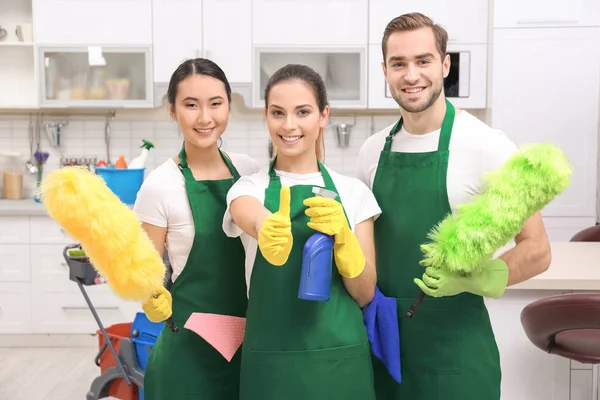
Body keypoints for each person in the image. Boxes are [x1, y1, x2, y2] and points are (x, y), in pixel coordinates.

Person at [356, 12, 552, 400]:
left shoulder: (487, 146)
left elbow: (538, 249)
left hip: (456, 357)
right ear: (385, 71)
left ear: (445, 64)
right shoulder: (372, 150)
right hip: (384, 350)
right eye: (399, 63)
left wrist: (473, 279)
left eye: (423, 60)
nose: (411, 75)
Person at [222, 64, 380, 400]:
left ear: (323, 116)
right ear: (266, 116)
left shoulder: (353, 193)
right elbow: (247, 211)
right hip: (272, 366)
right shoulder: (249, 187)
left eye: (303, 112)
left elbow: (365, 294)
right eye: (278, 113)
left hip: (340, 363)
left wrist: (346, 244)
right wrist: (266, 227)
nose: (289, 125)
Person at [133, 58, 260, 399]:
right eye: (191, 105)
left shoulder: (250, 171)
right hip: (188, 358)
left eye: (215, 104)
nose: (205, 118)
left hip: (252, 351)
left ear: (228, 106)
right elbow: (146, 272)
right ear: (173, 110)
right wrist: (149, 296)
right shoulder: (160, 185)